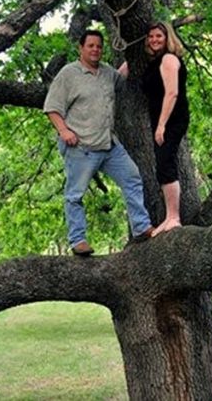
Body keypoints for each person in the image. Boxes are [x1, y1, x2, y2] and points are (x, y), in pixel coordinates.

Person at [43, 29, 154, 256]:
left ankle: (141, 227)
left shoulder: (106, 72)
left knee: (132, 177)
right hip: (81, 147)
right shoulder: (69, 74)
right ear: (81, 48)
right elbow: (52, 107)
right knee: (75, 195)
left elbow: (121, 77)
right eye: (91, 45)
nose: (95, 50)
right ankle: (78, 241)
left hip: (109, 145)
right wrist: (63, 130)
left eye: (99, 46)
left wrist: (139, 51)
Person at [140, 22, 189, 237]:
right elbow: (122, 73)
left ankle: (174, 217)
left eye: (159, 36)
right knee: (162, 164)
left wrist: (161, 125)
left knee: (165, 163)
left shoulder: (169, 59)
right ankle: (169, 216)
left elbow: (172, 93)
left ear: (167, 37)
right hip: (161, 121)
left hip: (171, 119)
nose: (154, 40)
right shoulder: (154, 63)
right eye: (150, 36)